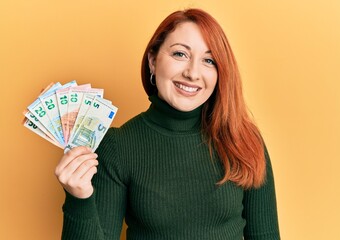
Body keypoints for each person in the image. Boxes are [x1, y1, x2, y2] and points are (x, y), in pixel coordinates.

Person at [55, 8, 281, 240]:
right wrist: (79, 198)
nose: (193, 73)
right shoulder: (118, 146)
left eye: (208, 60)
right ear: (153, 61)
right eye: (180, 54)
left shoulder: (243, 138)